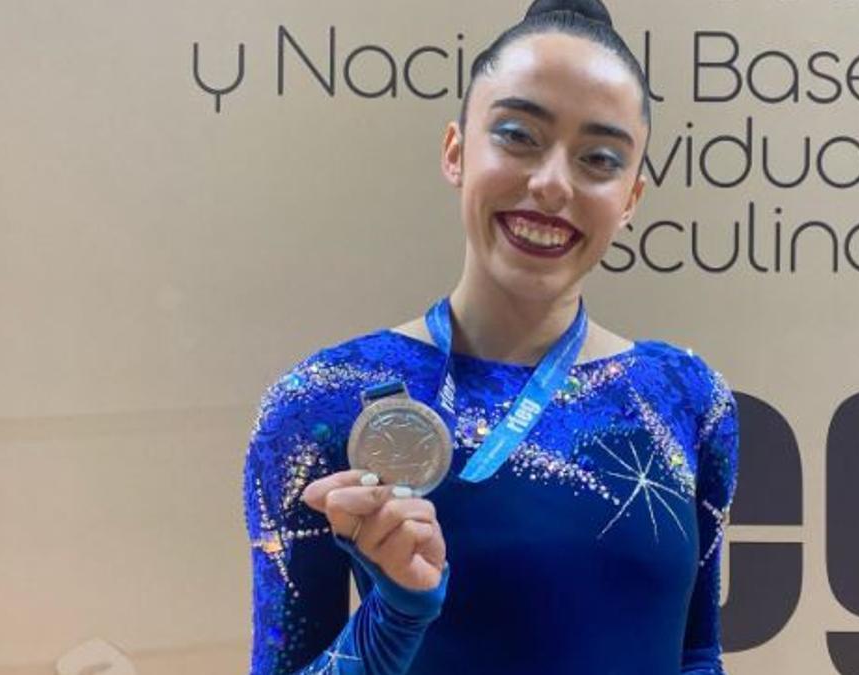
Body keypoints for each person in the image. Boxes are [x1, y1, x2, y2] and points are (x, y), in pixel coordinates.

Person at [242, 0, 741, 672]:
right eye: (518, 135)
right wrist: (395, 618)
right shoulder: (324, 400)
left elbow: (698, 655)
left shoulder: (686, 397)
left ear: (630, 198)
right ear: (456, 152)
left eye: (599, 158)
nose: (552, 183)